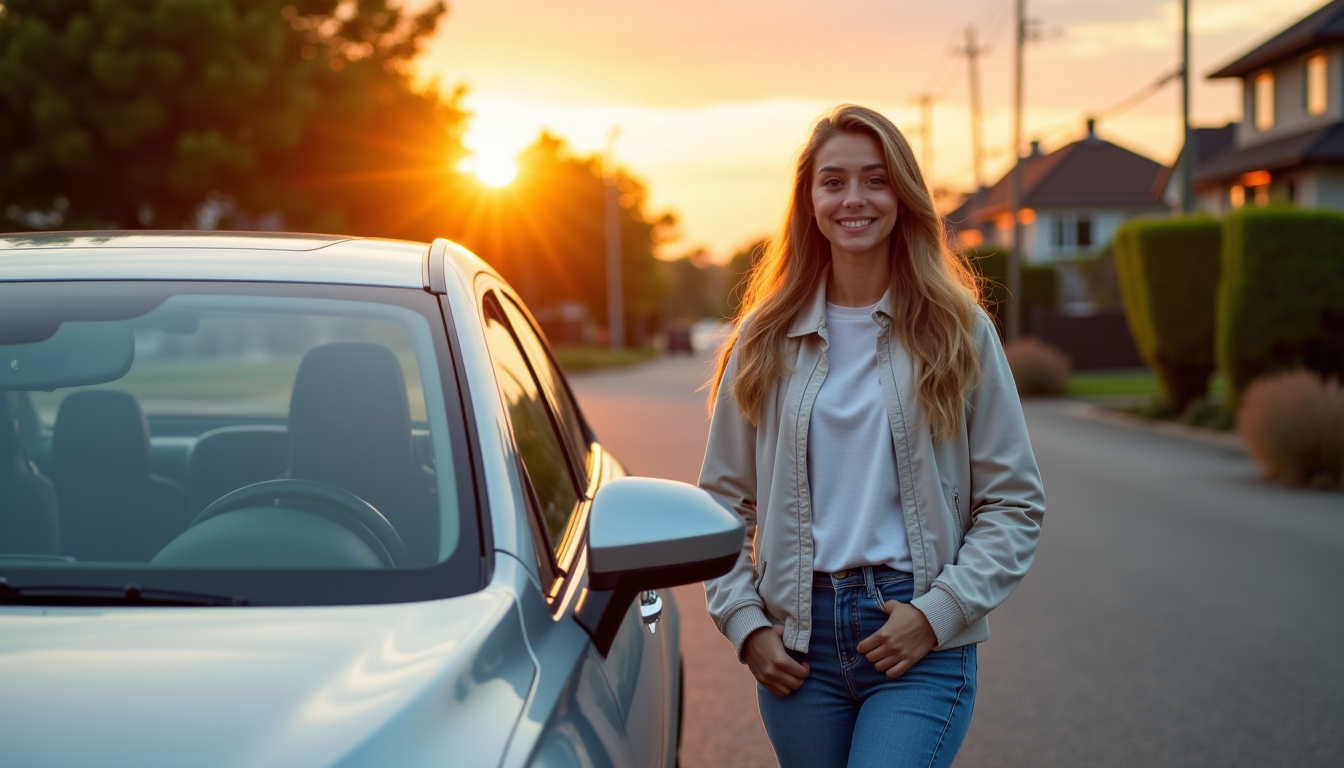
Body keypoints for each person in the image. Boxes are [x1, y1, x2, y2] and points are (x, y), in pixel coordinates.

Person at [699, 104, 1045, 768]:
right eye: (834, 181)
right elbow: (719, 504)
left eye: (875, 179)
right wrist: (745, 626)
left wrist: (939, 612)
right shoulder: (763, 338)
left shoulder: (958, 330)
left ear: (903, 197)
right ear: (810, 201)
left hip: (916, 634)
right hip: (799, 643)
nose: (854, 198)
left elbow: (1014, 503)